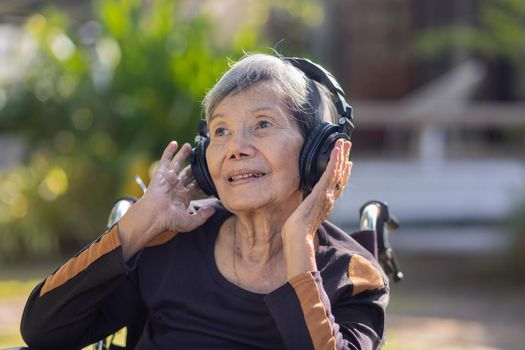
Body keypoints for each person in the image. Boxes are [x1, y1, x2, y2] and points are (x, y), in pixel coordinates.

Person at [20, 53, 389, 349]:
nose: (235, 149)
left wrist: (298, 244)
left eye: (262, 124)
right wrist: (140, 222)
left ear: (317, 152)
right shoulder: (168, 244)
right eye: (220, 131)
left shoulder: (354, 275)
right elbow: (43, 332)